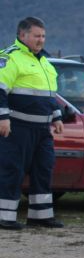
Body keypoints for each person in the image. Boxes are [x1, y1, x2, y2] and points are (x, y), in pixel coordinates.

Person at [0, 17, 64, 230]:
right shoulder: (10, 57)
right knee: (12, 170)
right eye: (37, 36)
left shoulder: (44, 61)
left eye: (43, 36)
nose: (41, 40)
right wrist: (3, 118)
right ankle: (4, 217)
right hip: (17, 128)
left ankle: (40, 216)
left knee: (43, 169)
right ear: (22, 35)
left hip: (42, 130)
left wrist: (57, 116)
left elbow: (49, 94)